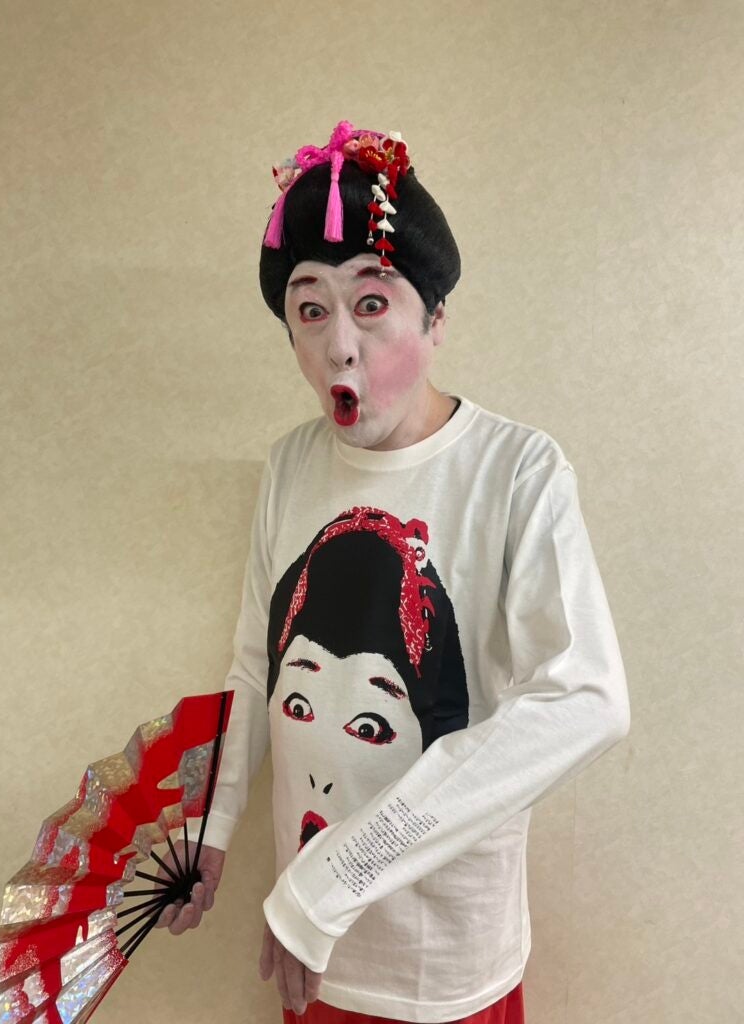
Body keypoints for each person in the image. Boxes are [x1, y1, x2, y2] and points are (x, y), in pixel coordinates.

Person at [155, 120, 630, 1024]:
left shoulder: (517, 471)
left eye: (371, 303)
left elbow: (586, 698)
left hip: (441, 965)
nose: (340, 345)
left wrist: (334, 878)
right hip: (312, 952)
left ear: (436, 318)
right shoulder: (291, 465)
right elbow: (255, 667)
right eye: (310, 309)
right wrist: (212, 823)